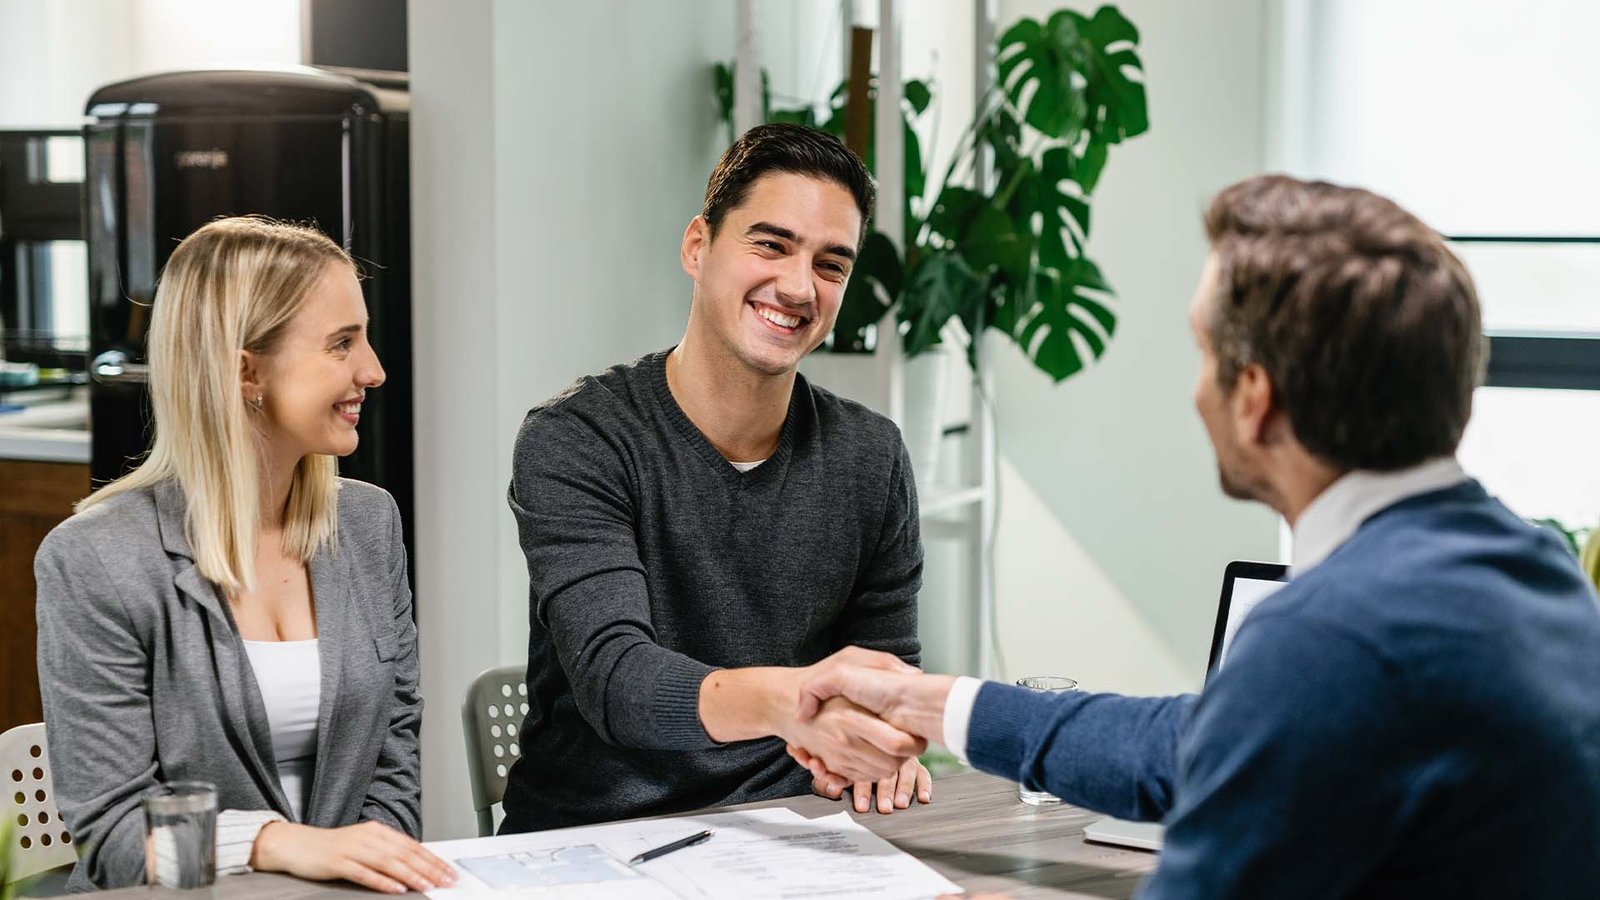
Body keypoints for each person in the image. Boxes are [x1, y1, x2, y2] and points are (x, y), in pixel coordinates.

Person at [788, 175, 1600, 896]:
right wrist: (928, 702)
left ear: (1254, 397)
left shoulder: (1330, 639)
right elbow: (1202, 743)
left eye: (1204, 355)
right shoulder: (1536, 568)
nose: (1195, 392)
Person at [500, 123, 929, 833]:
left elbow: (884, 672)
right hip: (597, 843)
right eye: (771, 244)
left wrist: (887, 739)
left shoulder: (871, 455)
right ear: (698, 245)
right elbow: (620, 683)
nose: (797, 286)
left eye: (831, 265)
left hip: (800, 834)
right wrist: (802, 703)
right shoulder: (579, 440)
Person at [35, 217, 457, 894]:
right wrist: (277, 844)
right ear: (244, 370)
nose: (372, 370)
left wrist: (356, 874)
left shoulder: (368, 524)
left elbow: (394, 757)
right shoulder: (97, 560)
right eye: (341, 344)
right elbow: (114, 836)